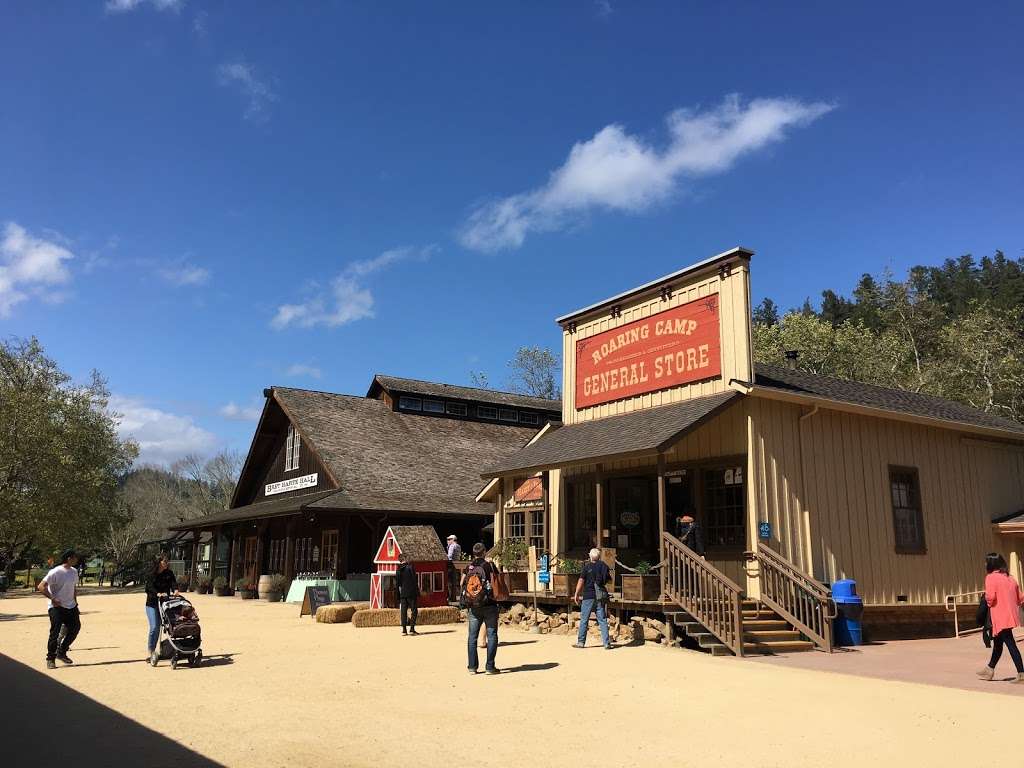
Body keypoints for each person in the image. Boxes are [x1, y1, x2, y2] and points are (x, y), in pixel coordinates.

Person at [977, 553, 1024, 683]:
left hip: (1000, 617)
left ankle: (1021, 673)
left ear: (991, 564)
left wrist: (985, 599)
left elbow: (991, 598)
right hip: (1010, 616)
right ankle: (989, 669)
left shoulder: (991, 578)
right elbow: (1020, 598)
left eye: (986, 562)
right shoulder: (1010, 578)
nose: (985, 564)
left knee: (1010, 644)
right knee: (998, 644)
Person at [38, 549, 81, 670]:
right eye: (75, 557)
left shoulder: (74, 571)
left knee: (75, 628)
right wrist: (52, 598)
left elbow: (73, 588)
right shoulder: (55, 572)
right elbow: (41, 586)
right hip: (56, 607)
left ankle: (61, 652)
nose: (76, 559)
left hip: (71, 606)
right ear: (69, 558)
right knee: (55, 633)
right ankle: (50, 659)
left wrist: (76, 603)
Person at [462, 542, 499, 674]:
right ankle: (490, 667)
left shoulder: (469, 567)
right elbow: (497, 580)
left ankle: (472, 667)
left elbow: (462, 583)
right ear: (484, 552)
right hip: (489, 604)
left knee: (472, 637)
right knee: (492, 635)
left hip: (473, 605)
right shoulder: (489, 565)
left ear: (473, 553)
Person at [574, 548, 612, 650]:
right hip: (600, 596)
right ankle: (606, 643)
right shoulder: (603, 566)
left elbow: (581, 581)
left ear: (590, 556)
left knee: (584, 619)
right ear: (599, 556)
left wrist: (576, 594)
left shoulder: (587, 567)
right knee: (602, 620)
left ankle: (581, 642)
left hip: (588, 596)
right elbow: (608, 580)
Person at [146, 554, 179, 662]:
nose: (166, 563)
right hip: (152, 604)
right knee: (155, 627)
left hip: (165, 604)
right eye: (164, 561)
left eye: (167, 561)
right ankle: (151, 651)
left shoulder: (169, 573)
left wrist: (175, 590)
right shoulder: (152, 573)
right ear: (159, 562)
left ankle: (170, 649)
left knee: (169, 626)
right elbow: (148, 588)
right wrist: (158, 593)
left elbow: (173, 583)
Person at [395, 553, 419, 636]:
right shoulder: (410, 567)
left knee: (403, 612)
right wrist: (417, 592)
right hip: (411, 593)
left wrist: (398, 595)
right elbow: (414, 580)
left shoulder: (398, 570)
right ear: (405, 559)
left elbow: (397, 584)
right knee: (414, 611)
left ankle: (404, 630)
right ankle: (412, 629)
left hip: (403, 593)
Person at [446, 534, 462, 602]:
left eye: (449, 539)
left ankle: (450, 597)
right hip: (456, 565)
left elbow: (449, 556)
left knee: (449, 582)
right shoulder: (458, 546)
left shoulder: (452, 546)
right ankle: (453, 597)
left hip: (450, 565)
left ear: (452, 540)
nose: (447, 541)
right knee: (454, 581)